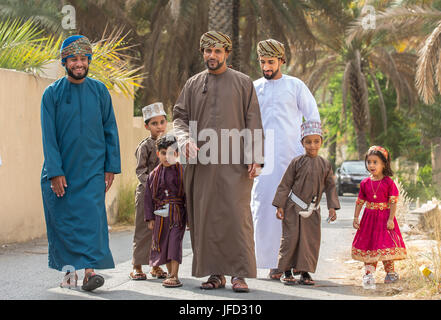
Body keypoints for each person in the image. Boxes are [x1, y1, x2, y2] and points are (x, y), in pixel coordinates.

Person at [173, 30, 264, 292]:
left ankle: (239, 274)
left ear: (226, 53)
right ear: (202, 52)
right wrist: (184, 139)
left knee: (237, 217)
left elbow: (253, 119)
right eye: (207, 51)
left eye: (217, 51)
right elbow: (179, 117)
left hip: (235, 163)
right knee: (205, 217)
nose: (212, 56)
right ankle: (214, 274)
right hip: (201, 164)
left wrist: (255, 157)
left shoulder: (243, 82)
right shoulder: (192, 84)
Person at [40, 35, 121, 291]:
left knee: (92, 221)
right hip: (61, 171)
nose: (79, 63)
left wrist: (111, 167)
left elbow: (110, 130)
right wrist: (55, 171)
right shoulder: (51, 94)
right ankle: (67, 272)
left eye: (83, 59)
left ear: (88, 61)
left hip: (92, 171)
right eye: (73, 59)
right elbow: (48, 136)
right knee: (62, 221)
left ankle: (89, 273)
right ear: (64, 61)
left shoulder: (99, 91)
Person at [251, 39, 320, 280]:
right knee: (264, 209)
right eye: (262, 62)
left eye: (271, 62)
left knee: (294, 211)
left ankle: (294, 262)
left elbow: (312, 118)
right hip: (263, 163)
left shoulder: (296, 86)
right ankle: (273, 263)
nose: (266, 67)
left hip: (293, 160)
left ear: (282, 60)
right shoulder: (254, 87)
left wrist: (310, 156)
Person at [272, 121, 340, 285]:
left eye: (316, 141)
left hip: (313, 210)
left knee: (310, 241)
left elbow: (331, 187)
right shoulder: (297, 162)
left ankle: (305, 272)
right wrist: (280, 205)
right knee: (290, 239)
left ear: (321, 142)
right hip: (293, 208)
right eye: (308, 142)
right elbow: (285, 184)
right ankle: (286, 271)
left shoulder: (325, 164)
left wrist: (332, 207)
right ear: (302, 142)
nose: (312, 145)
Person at [352, 146, 407, 286]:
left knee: (385, 245)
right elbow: (359, 202)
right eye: (369, 162)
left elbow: (393, 202)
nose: (371, 165)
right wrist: (356, 217)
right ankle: (369, 275)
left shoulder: (388, 182)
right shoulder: (365, 183)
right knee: (369, 246)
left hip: (384, 219)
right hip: (368, 220)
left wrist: (390, 219)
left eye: (375, 162)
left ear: (384, 164)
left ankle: (390, 273)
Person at [130, 102, 168, 281]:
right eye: (154, 123)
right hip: (146, 194)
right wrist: (153, 188)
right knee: (143, 230)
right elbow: (140, 171)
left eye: (162, 122)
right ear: (147, 126)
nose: (159, 127)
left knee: (160, 231)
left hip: (164, 197)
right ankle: (137, 267)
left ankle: (156, 266)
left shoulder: (170, 145)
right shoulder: (144, 146)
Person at [144, 135, 186, 288]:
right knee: (165, 244)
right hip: (160, 216)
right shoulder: (153, 175)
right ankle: (170, 273)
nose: (166, 157)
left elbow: (187, 195)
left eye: (171, 153)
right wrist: (150, 219)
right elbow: (148, 198)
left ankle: (174, 275)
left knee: (174, 243)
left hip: (177, 214)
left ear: (177, 154)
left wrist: (190, 219)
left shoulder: (182, 172)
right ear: (158, 154)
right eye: (163, 153)